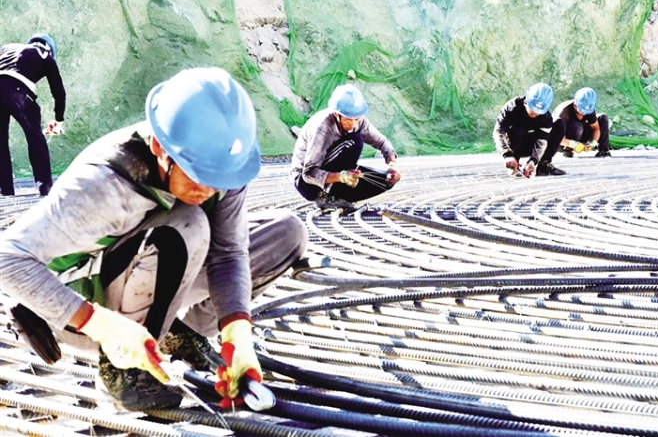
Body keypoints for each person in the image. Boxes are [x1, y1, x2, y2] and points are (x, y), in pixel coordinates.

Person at [0, 67, 308, 411]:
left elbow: (229, 254)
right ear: (161, 147)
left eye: (219, 177)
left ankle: (181, 333)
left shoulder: (223, 169)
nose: (210, 189)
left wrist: (237, 333)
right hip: (71, 306)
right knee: (187, 225)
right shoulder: (103, 184)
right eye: (198, 175)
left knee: (286, 233)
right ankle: (124, 369)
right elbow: (8, 258)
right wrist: (102, 325)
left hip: (147, 273)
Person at [290, 83, 401, 210]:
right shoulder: (322, 128)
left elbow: (382, 142)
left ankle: (337, 197)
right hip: (307, 184)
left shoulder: (359, 121)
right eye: (349, 119)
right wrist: (342, 176)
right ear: (337, 115)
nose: (354, 123)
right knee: (355, 140)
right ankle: (323, 195)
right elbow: (309, 173)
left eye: (357, 118)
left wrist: (393, 165)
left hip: (339, 177)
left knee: (387, 180)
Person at [0, 33, 66, 196]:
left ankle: (5, 189)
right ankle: (44, 186)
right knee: (35, 136)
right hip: (18, 90)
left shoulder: (7, 48)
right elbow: (59, 92)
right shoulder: (45, 55)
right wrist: (58, 122)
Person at [492, 82, 566, 178]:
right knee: (519, 130)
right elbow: (498, 132)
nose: (535, 113)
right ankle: (514, 164)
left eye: (539, 111)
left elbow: (542, 141)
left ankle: (543, 164)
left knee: (559, 123)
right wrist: (507, 155)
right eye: (533, 108)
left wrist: (533, 161)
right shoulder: (511, 108)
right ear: (527, 101)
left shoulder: (546, 117)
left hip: (532, 146)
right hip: (514, 145)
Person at [553, 87, 612, 158]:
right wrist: (573, 144)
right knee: (577, 126)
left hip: (580, 135)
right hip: (562, 141)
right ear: (575, 105)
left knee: (602, 118)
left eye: (587, 111)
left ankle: (604, 151)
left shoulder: (589, 108)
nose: (584, 113)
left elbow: (596, 128)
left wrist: (593, 142)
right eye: (582, 110)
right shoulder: (563, 112)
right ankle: (568, 151)